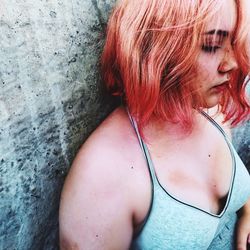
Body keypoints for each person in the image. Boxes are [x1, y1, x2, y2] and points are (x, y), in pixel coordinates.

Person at [59, 0, 250, 249]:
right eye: (211, 45)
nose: (232, 63)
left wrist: (247, 214)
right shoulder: (102, 175)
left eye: (233, 43)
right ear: (154, 49)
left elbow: (237, 192)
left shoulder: (209, 111)